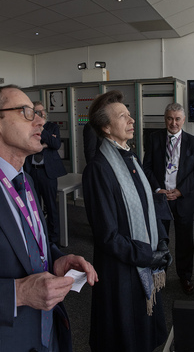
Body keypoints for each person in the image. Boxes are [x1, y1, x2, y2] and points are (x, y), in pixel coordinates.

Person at [0, 84, 97, 351]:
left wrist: (55, 259)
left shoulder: (26, 179)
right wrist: (17, 293)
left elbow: (28, 242)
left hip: (46, 333)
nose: (41, 120)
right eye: (26, 112)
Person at [82, 90, 172, 351]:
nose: (131, 120)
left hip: (141, 258)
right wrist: (147, 254)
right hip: (121, 271)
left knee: (145, 333)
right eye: (123, 116)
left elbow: (148, 205)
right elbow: (107, 235)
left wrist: (161, 241)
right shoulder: (98, 169)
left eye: (129, 115)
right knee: (125, 338)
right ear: (106, 127)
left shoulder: (130, 157)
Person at [143, 102, 194, 295]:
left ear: (183, 120)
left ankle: (185, 276)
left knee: (185, 241)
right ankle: (159, 276)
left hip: (183, 199)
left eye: (177, 119)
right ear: (165, 119)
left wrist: (180, 191)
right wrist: (158, 188)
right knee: (160, 240)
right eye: (170, 118)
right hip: (161, 198)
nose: (173, 123)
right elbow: (148, 167)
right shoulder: (153, 139)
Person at [24, 101, 67, 245]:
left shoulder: (52, 127)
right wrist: (44, 145)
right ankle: (37, 236)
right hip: (31, 172)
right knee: (33, 206)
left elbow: (55, 145)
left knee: (51, 206)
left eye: (43, 111)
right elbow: (28, 145)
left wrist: (41, 128)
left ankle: (53, 239)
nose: (41, 114)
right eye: (37, 112)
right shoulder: (27, 128)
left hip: (47, 173)